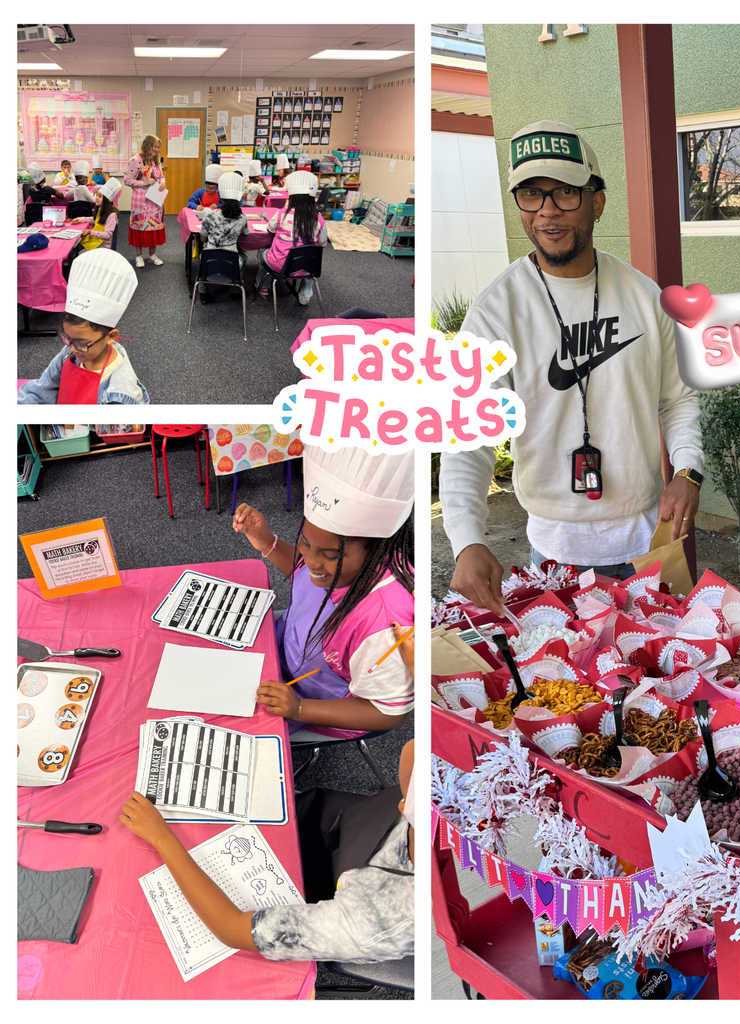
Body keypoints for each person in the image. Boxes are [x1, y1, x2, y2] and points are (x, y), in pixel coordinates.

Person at [439, 120, 704, 615]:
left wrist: (688, 471)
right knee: (568, 667)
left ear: (596, 202)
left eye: (565, 192)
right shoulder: (496, 312)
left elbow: (678, 399)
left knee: (662, 660)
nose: (547, 211)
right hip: (553, 552)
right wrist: (467, 538)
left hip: (649, 541)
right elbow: (467, 435)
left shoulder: (644, 297)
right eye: (531, 194)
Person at [118, 739, 414, 966]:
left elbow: (230, 928)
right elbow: (413, 752)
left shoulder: (377, 921)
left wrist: (161, 838)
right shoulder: (420, 812)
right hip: (341, 830)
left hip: (325, 894)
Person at [232, 447, 414, 736]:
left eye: (330, 555)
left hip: (314, 702)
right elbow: (306, 575)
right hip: (281, 650)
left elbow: (387, 712)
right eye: (305, 543)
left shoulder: (383, 622)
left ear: (375, 553)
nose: (311, 561)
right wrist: (266, 541)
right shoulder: (334, 566)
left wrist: (299, 708)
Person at [18, 247, 149, 405]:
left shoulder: (122, 396)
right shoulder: (69, 353)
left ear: (111, 336)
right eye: (67, 338)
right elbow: (39, 391)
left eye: (81, 343)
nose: (72, 348)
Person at [255, 169, 328, 305]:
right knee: (310, 259)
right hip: (306, 268)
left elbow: (270, 229)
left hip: (279, 265)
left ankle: (263, 287)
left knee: (261, 253)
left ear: (291, 197)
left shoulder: (281, 213)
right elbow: (322, 244)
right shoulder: (319, 220)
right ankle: (304, 296)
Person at [196, 171, 249, 302]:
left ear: (222, 199)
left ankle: (203, 291)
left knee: (203, 255)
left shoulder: (209, 216)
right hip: (232, 260)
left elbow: (203, 238)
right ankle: (235, 289)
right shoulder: (242, 218)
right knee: (244, 257)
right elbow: (246, 233)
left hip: (209, 258)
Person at [124, 133, 167, 268]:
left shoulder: (155, 160)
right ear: (148, 146)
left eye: (158, 148)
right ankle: (139, 256)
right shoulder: (135, 160)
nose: (156, 150)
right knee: (139, 227)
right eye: (155, 147)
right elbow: (127, 180)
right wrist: (144, 183)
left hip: (155, 201)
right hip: (140, 202)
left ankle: (152, 255)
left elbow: (161, 176)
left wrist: (163, 183)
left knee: (154, 227)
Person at [76, 177, 121, 250]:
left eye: (100, 196)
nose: (96, 198)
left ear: (107, 200)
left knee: (80, 254)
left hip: (104, 245)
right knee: (75, 247)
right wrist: (80, 219)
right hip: (96, 239)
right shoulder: (101, 208)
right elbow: (95, 220)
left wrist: (90, 232)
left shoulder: (112, 214)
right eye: (97, 195)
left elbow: (107, 235)